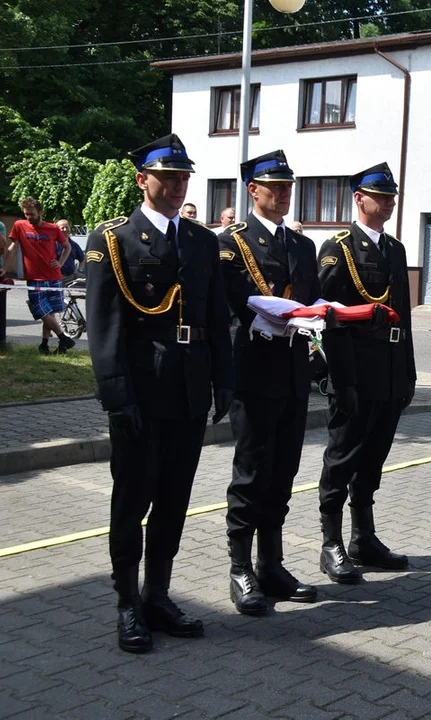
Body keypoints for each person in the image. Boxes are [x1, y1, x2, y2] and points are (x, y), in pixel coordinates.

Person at [84, 134, 233, 653]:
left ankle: (158, 596)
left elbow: (215, 317)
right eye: (166, 177)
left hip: (189, 392)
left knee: (174, 501)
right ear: (142, 179)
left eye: (183, 177)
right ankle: (127, 603)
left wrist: (223, 381)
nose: (176, 186)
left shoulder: (199, 240)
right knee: (132, 501)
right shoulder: (114, 240)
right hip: (142, 394)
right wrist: (116, 398)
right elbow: (103, 329)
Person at [218, 150, 323, 614]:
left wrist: (318, 341)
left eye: (287, 188)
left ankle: (271, 565)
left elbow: (311, 302)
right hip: (254, 370)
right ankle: (241, 567)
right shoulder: (229, 243)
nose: (282, 195)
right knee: (252, 472)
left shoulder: (302, 246)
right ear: (252, 190)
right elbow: (225, 306)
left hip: (293, 370)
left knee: (284, 472)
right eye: (273, 187)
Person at [317, 162, 415, 572]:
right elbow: (328, 319)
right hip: (354, 369)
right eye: (381, 195)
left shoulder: (395, 249)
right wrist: (341, 379)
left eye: (391, 195)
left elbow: (404, 319)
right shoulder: (337, 248)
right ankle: (331, 543)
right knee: (342, 457)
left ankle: (364, 538)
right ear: (359, 198)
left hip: (390, 370)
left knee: (374, 457)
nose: (389, 201)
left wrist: (409, 373)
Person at [7, 197, 75, 355]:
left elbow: (67, 246)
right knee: (40, 310)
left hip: (53, 276)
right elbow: (13, 247)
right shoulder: (19, 225)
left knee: (50, 312)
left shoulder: (52, 228)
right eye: (26, 214)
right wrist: (4, 266)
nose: (28, 217)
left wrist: (60, 262)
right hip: (34, 277)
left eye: (31, 214)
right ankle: (63, 337)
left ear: (40, 212)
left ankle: (44, 345)